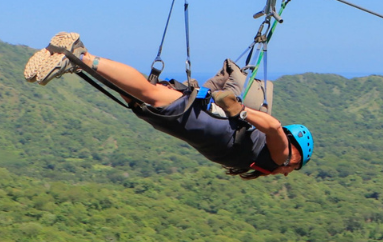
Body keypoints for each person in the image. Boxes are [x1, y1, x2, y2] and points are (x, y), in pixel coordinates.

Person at [24, 32, 313, 180]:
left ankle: (76, 62)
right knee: (149, 96)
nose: (288, 172)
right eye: (295, 167)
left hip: (205, 129)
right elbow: (274, 127)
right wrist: (241, 112)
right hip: (213, 126)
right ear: (295, 153)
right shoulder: (281, 156)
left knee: (139, 103)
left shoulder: (263, 160)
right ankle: (80, 54)